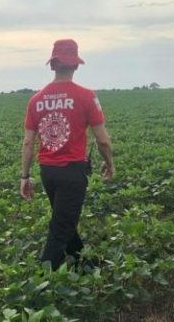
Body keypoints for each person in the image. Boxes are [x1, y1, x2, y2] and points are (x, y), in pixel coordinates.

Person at [20, 39, 115, 270]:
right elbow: (102, 139)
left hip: (47, 172)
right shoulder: (86, 96)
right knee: (61, 226)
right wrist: (109, 164)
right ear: (76, 66)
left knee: (64, 218)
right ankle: (42, 280)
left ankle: (82, 263)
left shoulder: (35, 100)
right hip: (72, 172)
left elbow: (28, 143)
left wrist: (25, 176)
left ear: (53, 65)